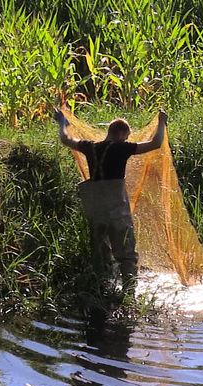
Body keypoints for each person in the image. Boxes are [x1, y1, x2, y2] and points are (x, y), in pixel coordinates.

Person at [54, 108, 168, 302]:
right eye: (126, 136)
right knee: (126, 252)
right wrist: (161, 122)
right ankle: (129, 295)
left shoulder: (90, 147)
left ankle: (102, 291)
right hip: (116, 208)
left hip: (95, 208)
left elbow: (66, 139)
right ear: (122, 134)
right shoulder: (121, 148)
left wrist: (62, 123)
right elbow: (156, 143)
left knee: (101, 250)